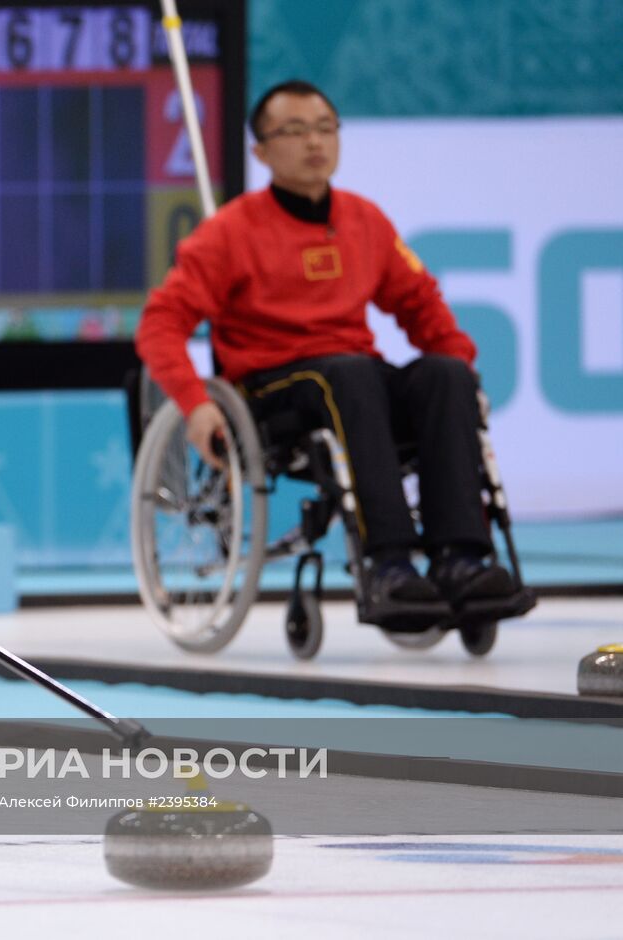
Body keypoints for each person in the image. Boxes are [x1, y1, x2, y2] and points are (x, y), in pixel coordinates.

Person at [135, 80, 518, 629]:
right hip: (273, 386)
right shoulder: (229, 233)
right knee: (348, 375)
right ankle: (389, 562)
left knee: (444, 375)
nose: (314, 142)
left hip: (351, 375)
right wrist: (195, 403)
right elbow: (160, 324)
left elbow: (421, 303)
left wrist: (463, 365)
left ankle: (460, 558)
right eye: (293, 131)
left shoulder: (365, 220)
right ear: (261, 151)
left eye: (324, 128)